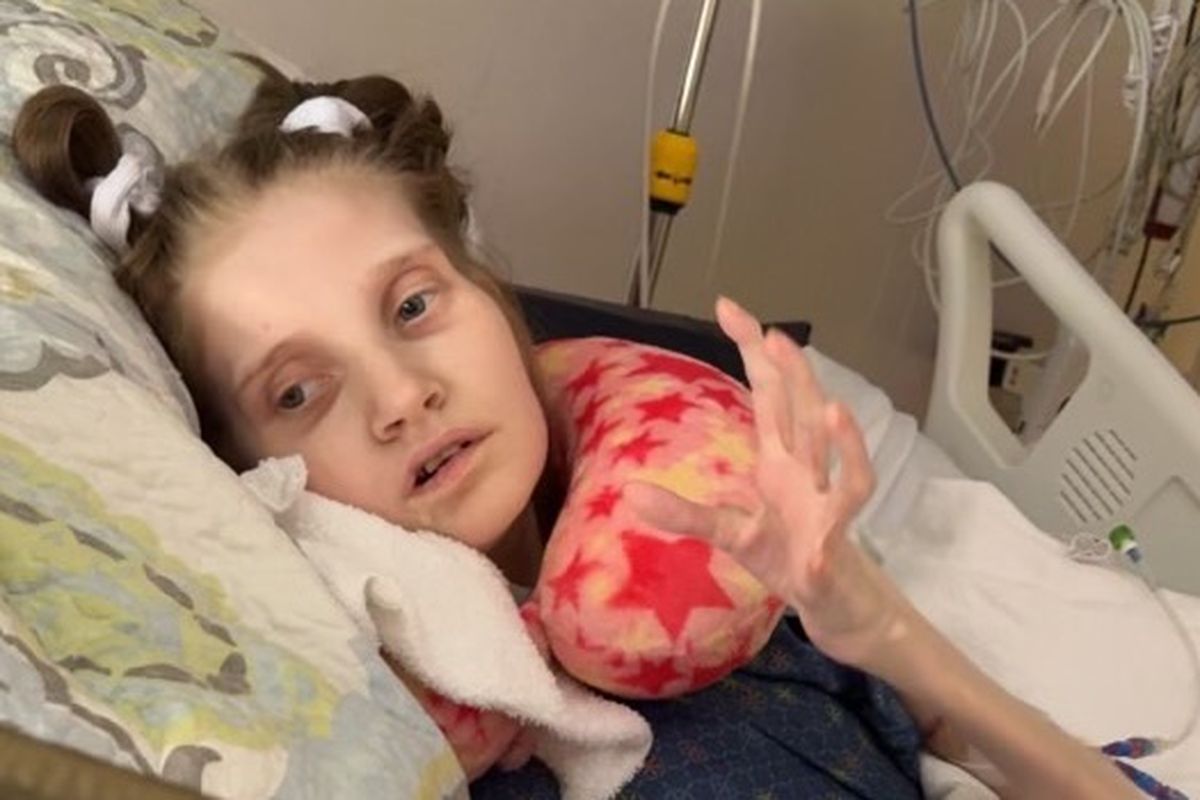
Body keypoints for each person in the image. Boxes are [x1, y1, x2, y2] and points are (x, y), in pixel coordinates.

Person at [12, 60, 1138, 799]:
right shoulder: (397, 723)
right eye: (298, 393)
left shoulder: (732, 550)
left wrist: (881, 626)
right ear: (247, 467)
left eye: (413, 306)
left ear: (489, 294)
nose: (401, 396)